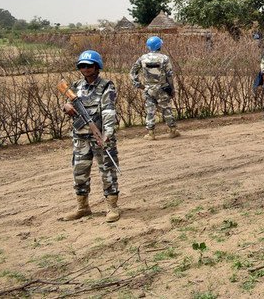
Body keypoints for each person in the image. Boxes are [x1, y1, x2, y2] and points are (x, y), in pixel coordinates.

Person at [60, 50, 121, 223]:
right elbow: (67, 104)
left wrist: (107, 133)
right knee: (79, 172)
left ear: (97, 66)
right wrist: (66, 107)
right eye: (82, 66)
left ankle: (112, 207)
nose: (85, 69)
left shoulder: (106, 85)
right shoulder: (76, 85)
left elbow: (109, 110)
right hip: (80, 138)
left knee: (107, 172)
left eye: (89, 65)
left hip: (100, 136)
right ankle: (83, 207)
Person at [130, 36, 180, 140]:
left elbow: (132, 72)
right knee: (166, 109)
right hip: (162, 89)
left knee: (150, 111)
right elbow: (169, 75)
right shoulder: (164, 58)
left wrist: (138, 84)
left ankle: (151, 133)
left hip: (149, 89)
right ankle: (172, 131)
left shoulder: (142, 58)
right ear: (159, 46)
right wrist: (172, 89)